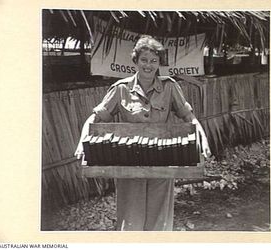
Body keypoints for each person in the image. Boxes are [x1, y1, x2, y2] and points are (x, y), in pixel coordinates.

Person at [74, 35, 211, 231]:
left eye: (154, 61)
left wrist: (202, 139)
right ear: (136, 61)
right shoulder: (121, 89)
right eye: (144, 60)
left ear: (159, 63)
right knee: (130, 220)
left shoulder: (170, 87)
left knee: (160, 221)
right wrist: (82, 142)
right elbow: (94, 118)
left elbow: (190, 118)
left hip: (163, 163)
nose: (149, 65)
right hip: (128, 165)